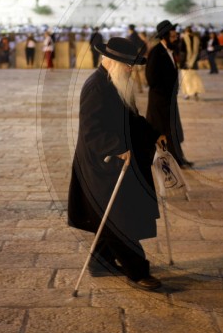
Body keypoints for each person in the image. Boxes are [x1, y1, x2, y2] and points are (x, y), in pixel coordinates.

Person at [68, 36, 166, 291]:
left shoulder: (115, 82)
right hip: (101, 164)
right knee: (118, 219)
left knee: (110, 215)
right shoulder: (96, 86)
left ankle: (100, 261)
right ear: (111, 61)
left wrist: (154, 133)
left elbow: (131, 118)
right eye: (127, 64)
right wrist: (116, 148)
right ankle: (137, 270)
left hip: (117, 162)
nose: (131, 69)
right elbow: (91, 130)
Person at [145, 20, 193, 168]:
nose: (175, 38)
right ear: (164, 36)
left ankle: (178, 159)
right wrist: (165, 92)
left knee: (171, 131)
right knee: (160, 132)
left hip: (169, 101)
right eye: (172, 36)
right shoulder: (156, 52)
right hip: (160, 101)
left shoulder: (170, 51)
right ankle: (173, 160)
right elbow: (151, 78)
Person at [180, 26, 205, 100]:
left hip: (185, 62)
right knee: (195, 78)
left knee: (186, 79)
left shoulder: (183, 39)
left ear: (186, 31)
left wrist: (182, 62)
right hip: (194, 62)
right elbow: (199, 51)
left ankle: (187, 94)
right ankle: (195, 93)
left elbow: (182, 51)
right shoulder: (197, 39)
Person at [127, 24, 147, 93]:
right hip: (138, 57)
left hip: (134, 58)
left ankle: (139, 87)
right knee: (138, 74)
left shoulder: (132, 37)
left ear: (129, 29)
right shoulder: (136, 35)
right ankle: (140, 87)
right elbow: (143, 45)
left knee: (135, 74)